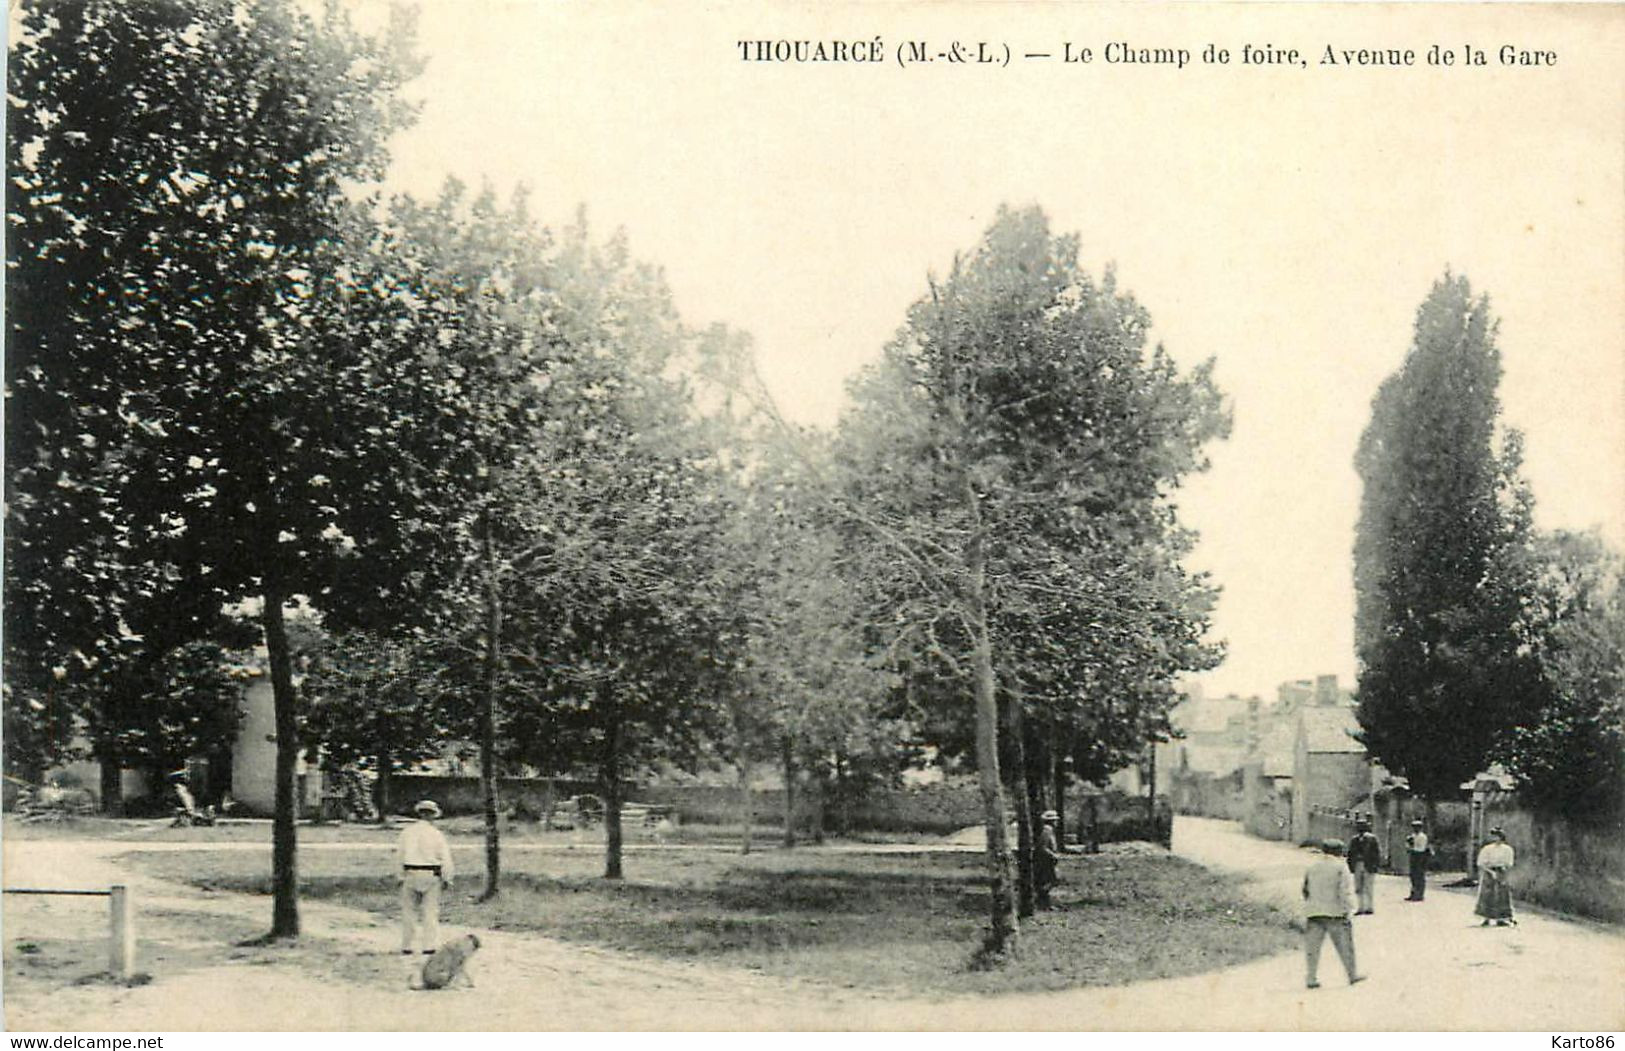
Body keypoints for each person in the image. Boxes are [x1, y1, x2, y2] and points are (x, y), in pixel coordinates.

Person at [398, 799, 455, 986]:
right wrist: (447, 878)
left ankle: (407, 945)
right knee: (430, 912)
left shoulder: (407, 833)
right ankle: (428, 946)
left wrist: (400, 876)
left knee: (409, 912)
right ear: (432, 815)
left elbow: (399, 855)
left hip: (410, 872)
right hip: (430, 873)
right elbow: (445, 858)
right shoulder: (437, 835)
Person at [1302, 838, 1366, 989]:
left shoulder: (1312, 866)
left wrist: (1312, 903)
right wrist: (1348, 910)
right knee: (1345, 946)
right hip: (1335, 912)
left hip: (1314, 912)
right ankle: (1352, 975)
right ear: (1338, 852)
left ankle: (1311, 978)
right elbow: (1344, 891)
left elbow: (1305, 890)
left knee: (1313, 948)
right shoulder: (1340, 867)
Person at [1474, 827, 1517, 927]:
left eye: (1497, 836)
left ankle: (1501, 918)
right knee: (1488, 894)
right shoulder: (1487, 849)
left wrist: (1503, 870)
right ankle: (1486, 918)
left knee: (1502, 895)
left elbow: (1509, 863)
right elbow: (1481, 862)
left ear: (1502, 837)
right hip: (1488, 871)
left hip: (1502, 871)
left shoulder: (1507, 849)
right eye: (1493, 836)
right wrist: (1490, 871)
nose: (1495, 838)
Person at [1347, 814, 1382, 915]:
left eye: (1362, 826)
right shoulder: (1354, 840)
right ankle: (1360, 907)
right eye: (1358, 826)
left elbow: (1377, 853)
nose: (1360, 828)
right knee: (1358, 887)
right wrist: (1351, 866)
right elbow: (1350, 853)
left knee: (1368, 886)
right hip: (1358, 864)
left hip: (1369, 865)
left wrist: (1375, 866)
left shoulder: (1372, 839)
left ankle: (1369, 907)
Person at [1035, 809, 1061, 909]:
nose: (1056, 822)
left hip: (1049, 860)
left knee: (1051, 881)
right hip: (1045, 861)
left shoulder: (1049, 830)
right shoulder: (1047, 831)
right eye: (1055, 820)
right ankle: (1041, 901)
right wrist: (1053, 855)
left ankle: (1045, 903)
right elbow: (1042, 847)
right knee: (1050, 881)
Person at [1403, 819, 1430, 901]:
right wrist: (1408, 844)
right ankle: (1413, 893)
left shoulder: (1422, 837)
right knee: (1413, 875)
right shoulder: (1413, 836)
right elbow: (1408, 846)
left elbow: (1421, 848)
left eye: (1417, 827)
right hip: (1413, 856)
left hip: (1420, 856)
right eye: (1414, 827)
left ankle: (1420, 894)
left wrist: (1411, 848)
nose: (1415, 829)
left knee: (1419, 875)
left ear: (1420, 828)